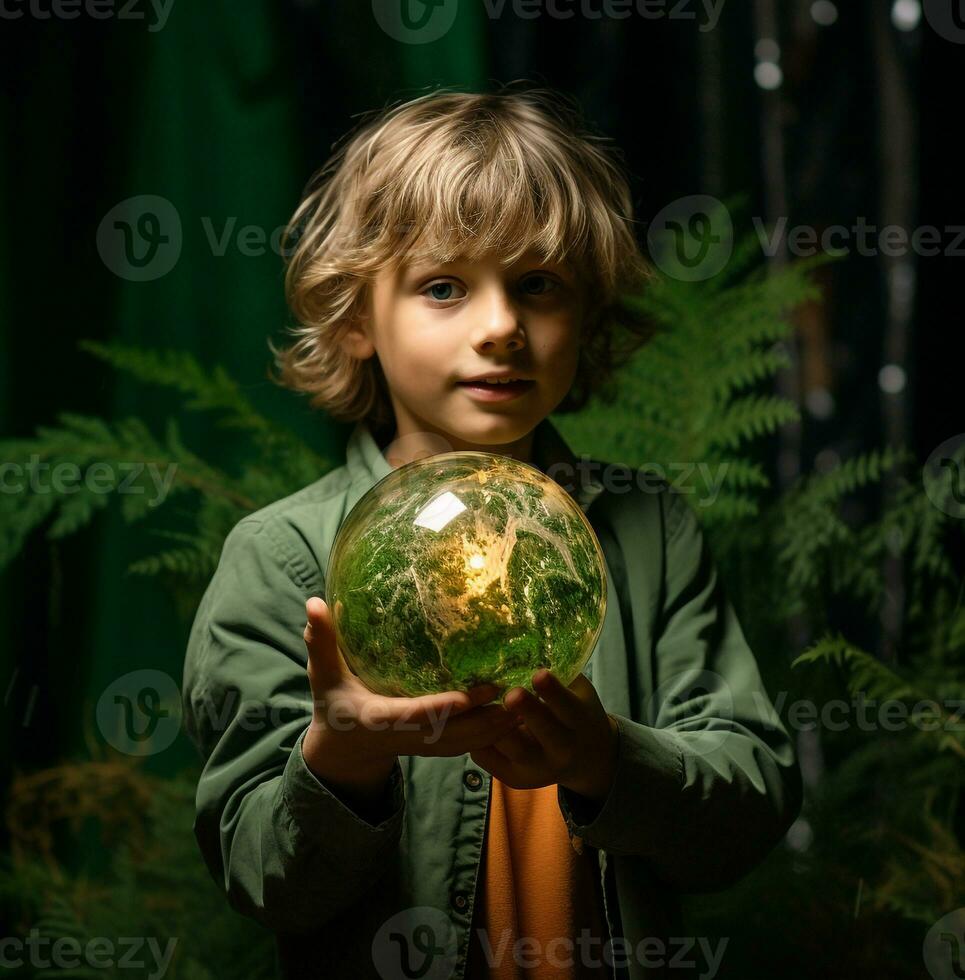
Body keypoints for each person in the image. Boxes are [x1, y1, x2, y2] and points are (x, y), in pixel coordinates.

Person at [181, 84, 802, 980]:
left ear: (587, 312)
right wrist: (342, 761)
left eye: (538, 285)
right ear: (357, 317)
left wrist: (607, 760)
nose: (502, 326)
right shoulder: (280, 560)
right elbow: (265, 881)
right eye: (443, 287)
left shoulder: (648, 532)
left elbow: (747, 811)